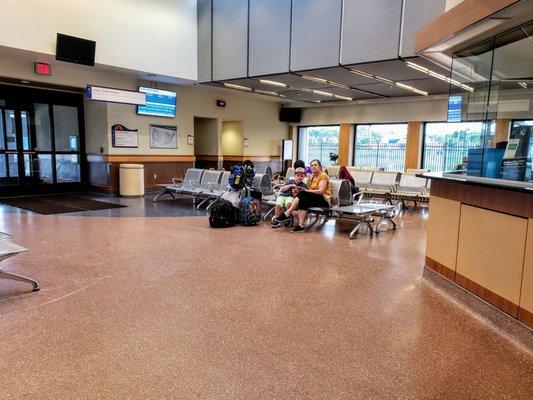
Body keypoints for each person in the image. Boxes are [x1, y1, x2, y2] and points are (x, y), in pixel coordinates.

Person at [276, 159, 331, 233]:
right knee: (302, 200)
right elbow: (308, 191)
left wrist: (305, 191)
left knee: (302, 193)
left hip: (324, 199)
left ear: (320, 167)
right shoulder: (312, 177)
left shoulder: (323, 176)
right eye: (311, 165)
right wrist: (297, 192)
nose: (313, 167)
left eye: (315, 165)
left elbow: (321, 191)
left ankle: (287, 213)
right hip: (315, 198)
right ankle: (301, 226)